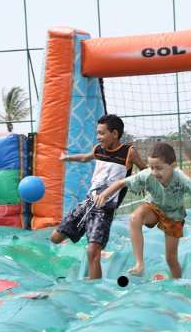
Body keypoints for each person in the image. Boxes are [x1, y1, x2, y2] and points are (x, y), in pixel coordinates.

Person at [94, 142, 191, 279]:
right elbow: (121, 183)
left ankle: (177, 283)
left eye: (159, 168)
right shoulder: (147, 175)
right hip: (153, 207)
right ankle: (139, 264)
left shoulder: (182, 179)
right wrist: (103, 195)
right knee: (135, 218)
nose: (155, 172)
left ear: (173, 166)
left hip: (173, 215)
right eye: (152, 167)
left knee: (171, 259)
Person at [50, 114, 147, 280]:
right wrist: (67, 157)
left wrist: (138, 183)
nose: (98, 137)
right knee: (55, 238)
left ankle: (95, 288)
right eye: (97, 133)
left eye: (102, 133)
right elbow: (85, 157)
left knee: (93, 252)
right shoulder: (99, 149)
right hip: (88, 203)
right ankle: (81, 236)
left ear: (115, 134)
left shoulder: (128, 152)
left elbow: (145, 170)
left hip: (105, 209)